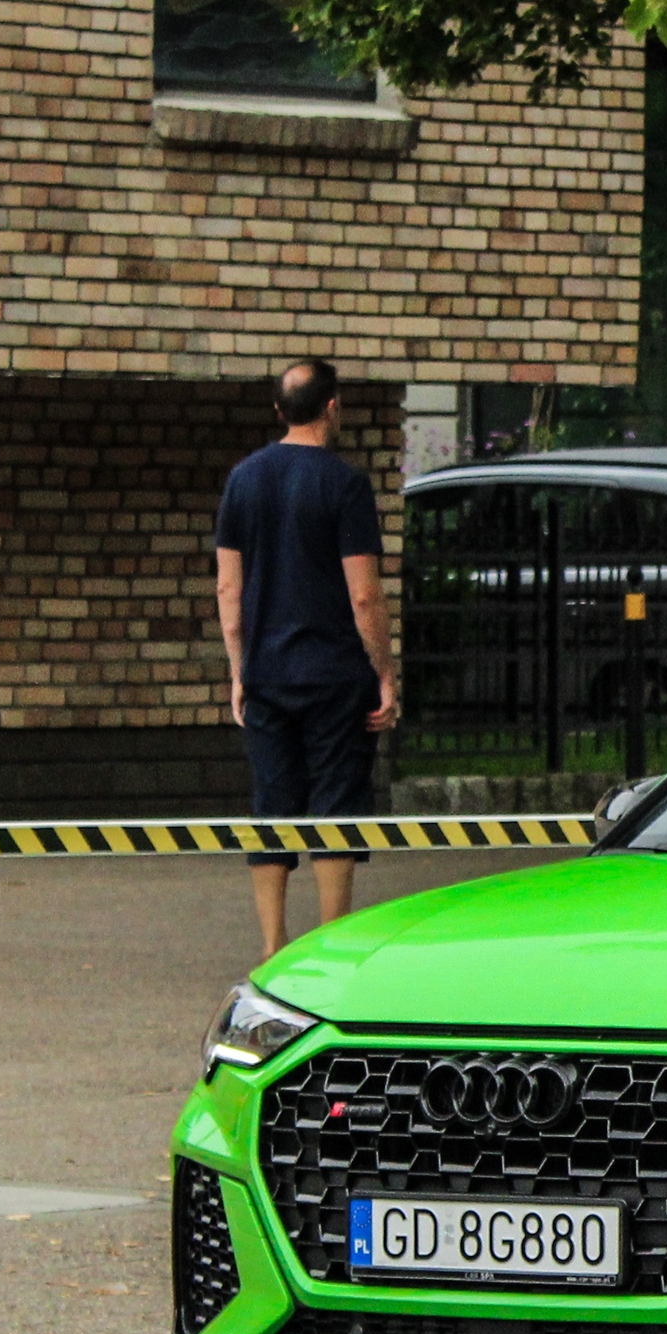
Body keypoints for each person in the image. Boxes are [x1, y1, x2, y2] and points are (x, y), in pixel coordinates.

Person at [215, 360, 397, 960]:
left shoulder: (243, 480)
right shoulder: (344, 486)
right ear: (333, 408)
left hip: (268, 673)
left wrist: (239, 670)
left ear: (278, 412)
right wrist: (384, 671)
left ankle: (271, 946)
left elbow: (229, 594)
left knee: (271, 806)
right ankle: (326, 945)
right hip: (335, 676)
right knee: (336, 807)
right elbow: (364, 594)